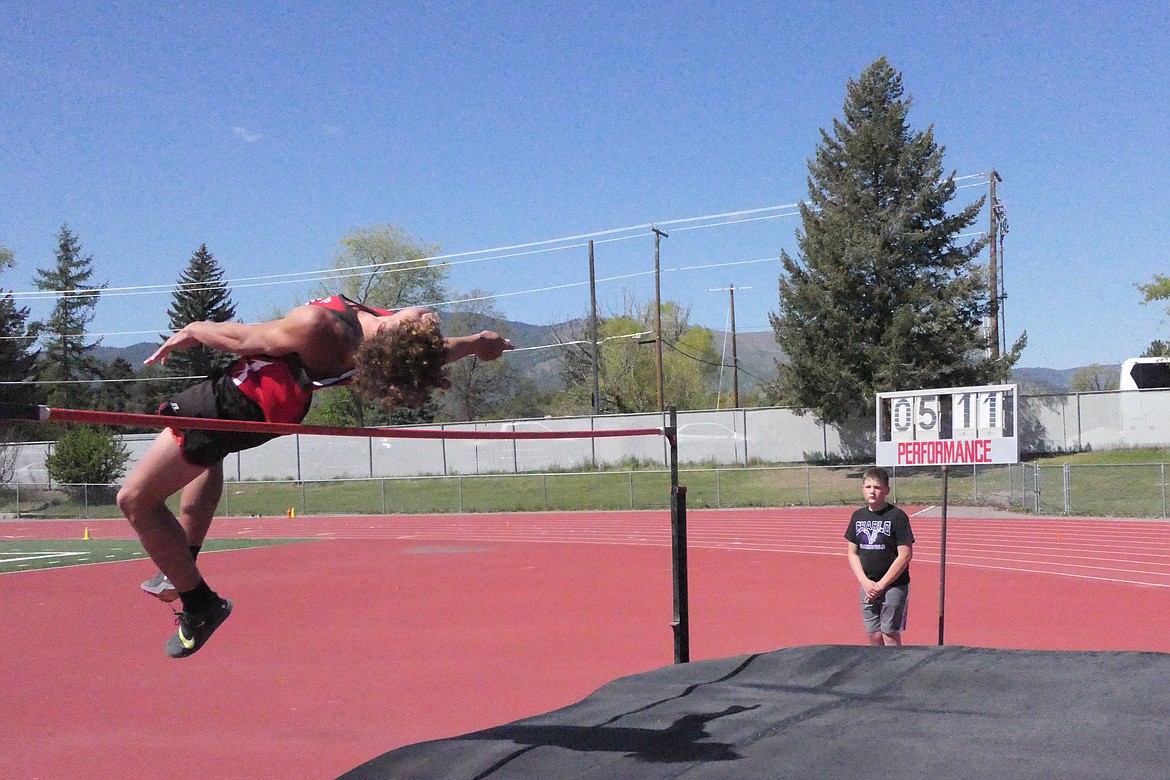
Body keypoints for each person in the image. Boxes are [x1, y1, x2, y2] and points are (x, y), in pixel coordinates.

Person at [118, 294, 513, 658]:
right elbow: (436, 350)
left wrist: (194, 329)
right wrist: (479, 341)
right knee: (208, 454)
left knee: (136, 500)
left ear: (395, 330)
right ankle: (182, 561)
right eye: (428, 322)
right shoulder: (400, 342)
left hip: (242, 398)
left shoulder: (318, 325)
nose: (430, 317)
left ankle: (199, 603)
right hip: (275, 404)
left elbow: (241, 340)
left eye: (420, 321)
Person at [844, 466, 915, 646]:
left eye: (876, 487)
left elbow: (905, 555)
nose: (872, 492)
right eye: (868, 487)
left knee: (889, 633)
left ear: (886, 490)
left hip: (893, 586)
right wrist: (865, 582)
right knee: (874, 635)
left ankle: (894, 671)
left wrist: (882, 585)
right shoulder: (857, 517)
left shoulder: (897, 517)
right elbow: (852, 553)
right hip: (868, 585)